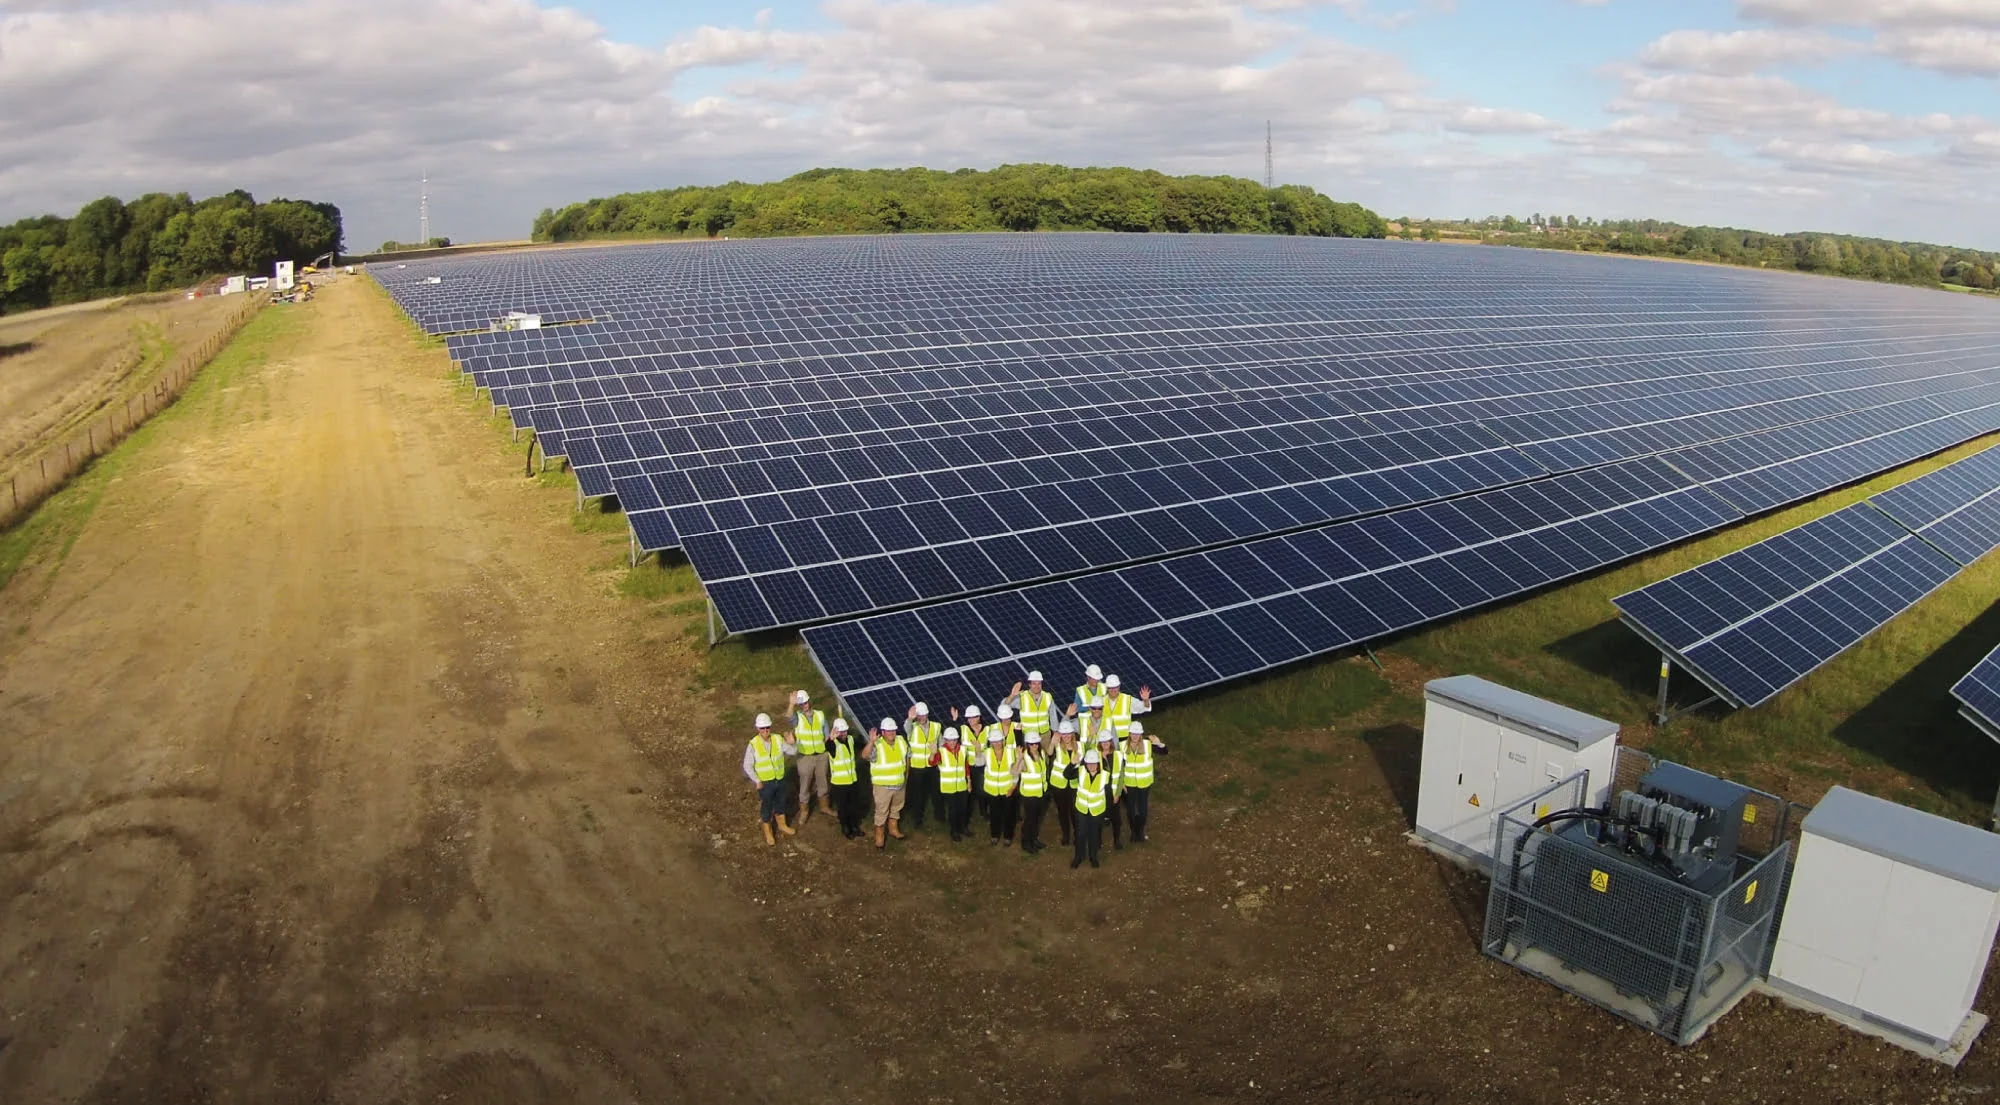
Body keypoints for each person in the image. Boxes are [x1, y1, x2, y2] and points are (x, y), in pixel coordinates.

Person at [740, 713, 797, 846]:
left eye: (767, 727)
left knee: (781, 803)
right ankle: (768, 830)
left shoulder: (777, 739)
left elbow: (792, 752)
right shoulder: (753, 745)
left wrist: (793, 743)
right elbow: (747, 765)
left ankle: (782, 825)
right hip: (765, 784)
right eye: (762, 728)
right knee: (767, 807)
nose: (765, 731)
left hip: (780, 780)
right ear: (757, 729)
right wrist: (757, 780)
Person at [785, 689, 831, 827]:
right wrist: (791, 704)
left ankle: (824, 806)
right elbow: (788, 717)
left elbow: (826, 733)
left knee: (823, 782)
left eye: (805, 703)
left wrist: (827, 744)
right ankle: (804, 811)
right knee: (805, 784)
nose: (804, 705)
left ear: (809, 701)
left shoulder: (820, 715)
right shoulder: (797, 717)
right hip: (805, 757)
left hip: (821, 755)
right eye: (801, 704)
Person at [862, 717, 908, 849]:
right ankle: (879, 836)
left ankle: (893, 830)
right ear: (883, 732)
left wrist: (906, 777)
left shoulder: (901, 741)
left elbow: (906, 758)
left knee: (896, 809)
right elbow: (864, 756)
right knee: (882, 812)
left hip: (899, 784)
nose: (891, 733)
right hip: (883, 787)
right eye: (888, 731)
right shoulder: (877, 745)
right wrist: (871, 742)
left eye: (893, 730)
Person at [1118, 720, 1167, 844]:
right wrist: (1121, 783)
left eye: (1137, 733)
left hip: (1145, 783)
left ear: (1141, 734)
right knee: (1130, 810)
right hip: (1129, 784)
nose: (1135, 736)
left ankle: (1140, 831)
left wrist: (1159, 744)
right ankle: (1133, 832)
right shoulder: (1122, 745)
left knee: (1143, 810)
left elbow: (1164, 752)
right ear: (1129, 734)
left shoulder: (1148, 744)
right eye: (1133, 733)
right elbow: (1119, 766)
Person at [903, 702, 940, 831]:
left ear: (927, 714)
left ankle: (939, 816)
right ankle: (917, 820)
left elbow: (940, 743)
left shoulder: (936, 727)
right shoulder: (912, 727)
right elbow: (906, 726)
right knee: (917, 795)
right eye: (919, 715)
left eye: (923, 715)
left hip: (932, 765)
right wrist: (909, 718)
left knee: (936, 792)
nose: (922, 718)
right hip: (917, 767)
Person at [1072, 748, 1110, 870]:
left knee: (1094, 836)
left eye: (1094, 763)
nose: (1091, 766)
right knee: (1080, 834)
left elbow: (1108, 794)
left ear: (1098, 764)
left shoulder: (1105, 775)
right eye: (1089, 763)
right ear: (1086, 763)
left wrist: (1106, 814)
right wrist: (1072, 763)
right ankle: (1078, 856)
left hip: (1096, 811)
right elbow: (1066, 774)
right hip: (1082, 810)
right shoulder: (1081, 771)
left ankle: (1093, 857)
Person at [937, 726, 972, 841]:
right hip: (949, 787)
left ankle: (963, 827)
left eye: (954, 740)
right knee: (953, 810)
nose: (952, 742)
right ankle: (954, 831)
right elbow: (932, 762)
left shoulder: (962, 750)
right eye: (949, 740)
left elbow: (965, 766)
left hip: (962, 785)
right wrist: (932, 753)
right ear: (945, 740)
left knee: (963, 808)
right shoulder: (941, 751)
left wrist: (969, 781)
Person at [984, 729, 1019, 846]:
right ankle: (995, 835)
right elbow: (977, 763)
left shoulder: (1011, 752)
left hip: (1007, 789)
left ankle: (1008, 836)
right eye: (994, 741)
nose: (997, 743)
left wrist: (1013, 787)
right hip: (992, 790)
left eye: (999, 741)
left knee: (1008, 814)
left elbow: (1015, 772)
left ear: (1003, 741)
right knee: (994, 814)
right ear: (990, 742)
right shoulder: (987, 753)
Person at [1017, 731, 1049, 854]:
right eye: (1032, 744)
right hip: (1029, 795)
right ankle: (1026, 843)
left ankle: (1034, 839)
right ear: (1027, 744)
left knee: (1037, 818)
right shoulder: (1024, 757)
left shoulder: (1041, 754)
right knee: (1029, 819)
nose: (1034, 746)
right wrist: (1018, 759)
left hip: (1040, 792)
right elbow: (1014, 772)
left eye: (1036, 744)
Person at [1047, 720, 1078, 847]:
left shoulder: (1079, 747)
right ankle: (1066, 835)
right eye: (1063, 734)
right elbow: (1049, 753)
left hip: (1074, 785)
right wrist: (1052, 742)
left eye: (1068, 734)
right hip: (1059, 784)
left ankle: (1077, 834)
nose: (1066, 737)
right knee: (1062, 811)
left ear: (1072, 734)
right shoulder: (1057, 746)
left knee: (1074, 812)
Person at [1004, 672, 1057, 744]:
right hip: (1028, 737)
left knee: (1047, 754)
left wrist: (1055, 733)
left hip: (1045, 736)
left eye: (1039, 683)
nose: (1036, 686)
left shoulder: (1048, 697)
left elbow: (1053, 717)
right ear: (1029, 685)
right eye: (1034, 684)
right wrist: (1012, 696)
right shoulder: (1022, 697)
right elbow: (1004, 706)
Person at [957, 705, 989, 817]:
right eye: (969, 718)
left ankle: (983, 811)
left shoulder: (988, 729)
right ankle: (968, 812)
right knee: (969, 791)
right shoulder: (963, 729)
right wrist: (954, 719)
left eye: (973, 718)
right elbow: (951, 731)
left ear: (979, 717)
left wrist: (979, 750)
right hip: (968, 765)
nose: (971, 720)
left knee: (981, 790)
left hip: (982, 764)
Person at [1096, 729, 1126, 850]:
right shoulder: (1095, 756)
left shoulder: (1118, 755)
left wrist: (1118, 793)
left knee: (1116, 818)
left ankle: (1117, 840)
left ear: (1111, 741)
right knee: (1098, 817)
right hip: (1100, 792)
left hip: (1113, 791)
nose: (1105, 744)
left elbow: (1121, 776)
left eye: (1107, 741)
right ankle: (1097, 841)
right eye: (1103, 742)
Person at [1099, 674, 1151, 740]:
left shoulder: (1127, 699)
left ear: (1119, 686)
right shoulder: (1100, 701)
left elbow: (1144, 707)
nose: (1113, 690)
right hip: (1106, 740)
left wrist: (1146, 700)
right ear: (1107, 687)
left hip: (1124, 739)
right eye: (1110, 687)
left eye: (1115, 687)